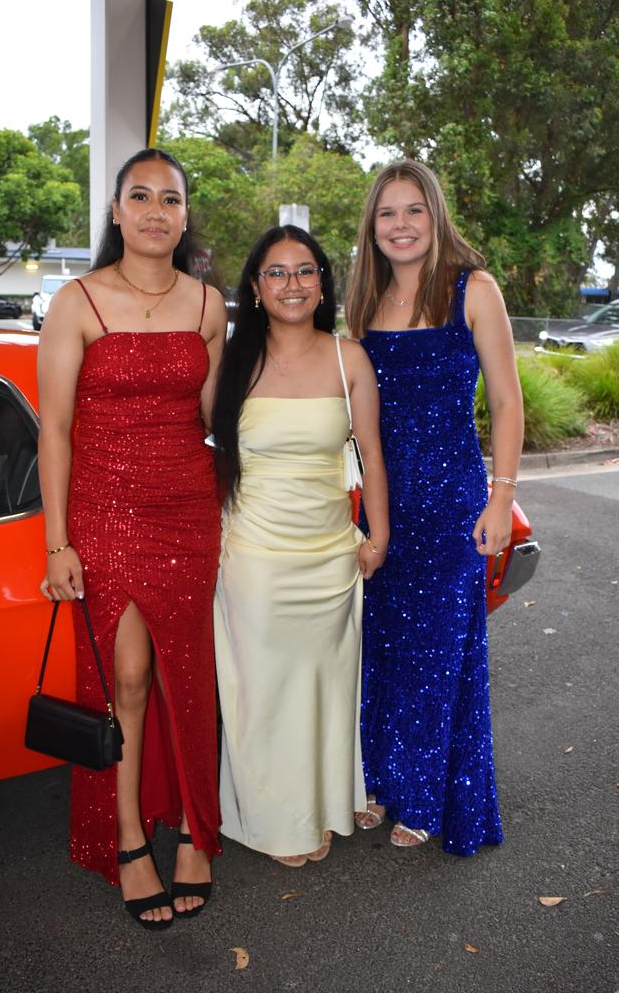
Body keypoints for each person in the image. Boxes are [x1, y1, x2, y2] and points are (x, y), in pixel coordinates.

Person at [37, 148, 226, 928]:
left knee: (190, 672)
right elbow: (53, 428)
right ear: (115, 211)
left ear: (184, 216)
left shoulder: (209, 305)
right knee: (130, 677)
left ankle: (190, 827)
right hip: (106, 511)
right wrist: (57, 542)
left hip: (187, 507)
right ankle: (125, 833)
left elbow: (216, 421)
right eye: (140, 197)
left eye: (170, 199)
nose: (156, 210)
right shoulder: (77, 301)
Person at [345, 159, 523, 856]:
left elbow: (507, 402)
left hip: (451, 499)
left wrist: (501, 497)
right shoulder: (364, 303)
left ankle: (425, 794)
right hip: (385, 498)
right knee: (381, 645)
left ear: (435, 215)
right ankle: (382, 781)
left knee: (438, 649)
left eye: (413, 210)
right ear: (373, 226)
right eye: (387, 213)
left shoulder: (471, 289)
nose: (401, 225)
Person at [211, 226, 389, 867]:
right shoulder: (229, 361)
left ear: (323, 284)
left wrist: (379, 532)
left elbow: (370, 453)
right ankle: (270, 821)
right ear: (255, 288)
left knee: (322, 686)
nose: (293, 284)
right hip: (254, 553)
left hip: (328, 555)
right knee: (261, 691)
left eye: (305, 271)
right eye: (277, 272)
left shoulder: (350, 358)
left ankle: (317, 805)